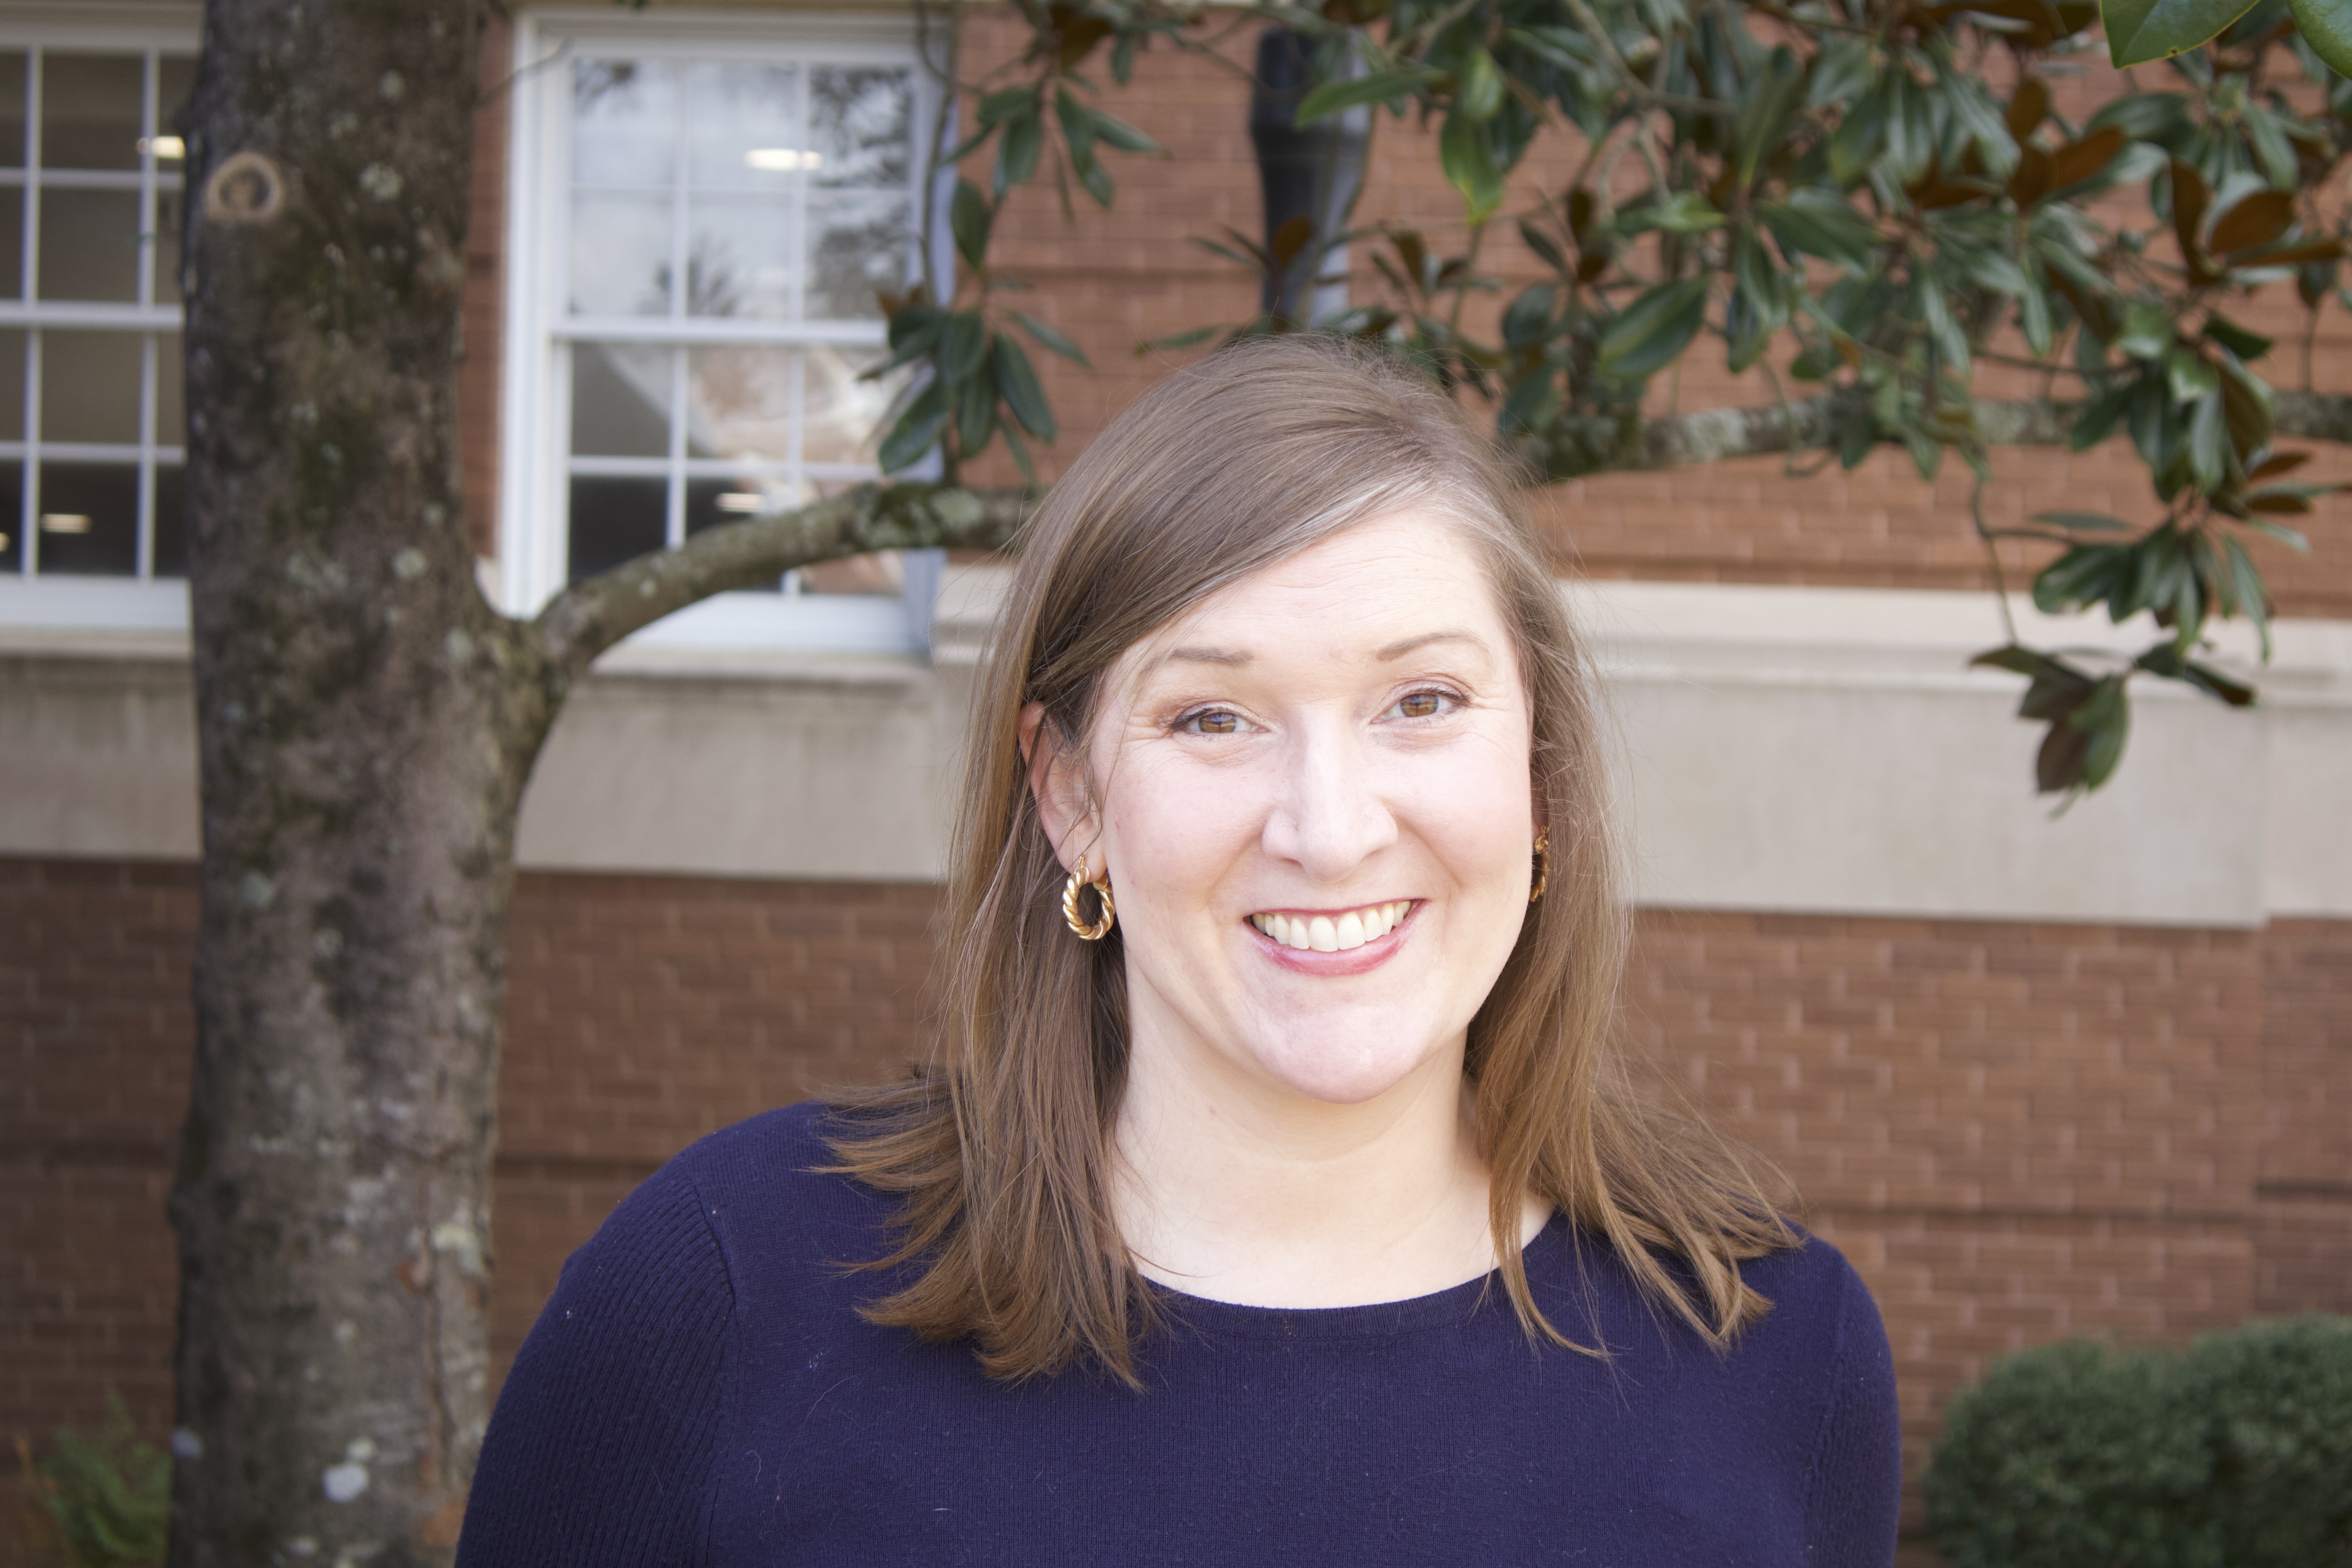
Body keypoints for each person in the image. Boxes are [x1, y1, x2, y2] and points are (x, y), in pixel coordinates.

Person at [456, 337, 1902, 1566]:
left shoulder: (1773, 1355)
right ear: (1072, 796)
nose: (1329, 831)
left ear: (1541, 775)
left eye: (1424, 700)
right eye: (1212, 716)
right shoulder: (720, 1298)